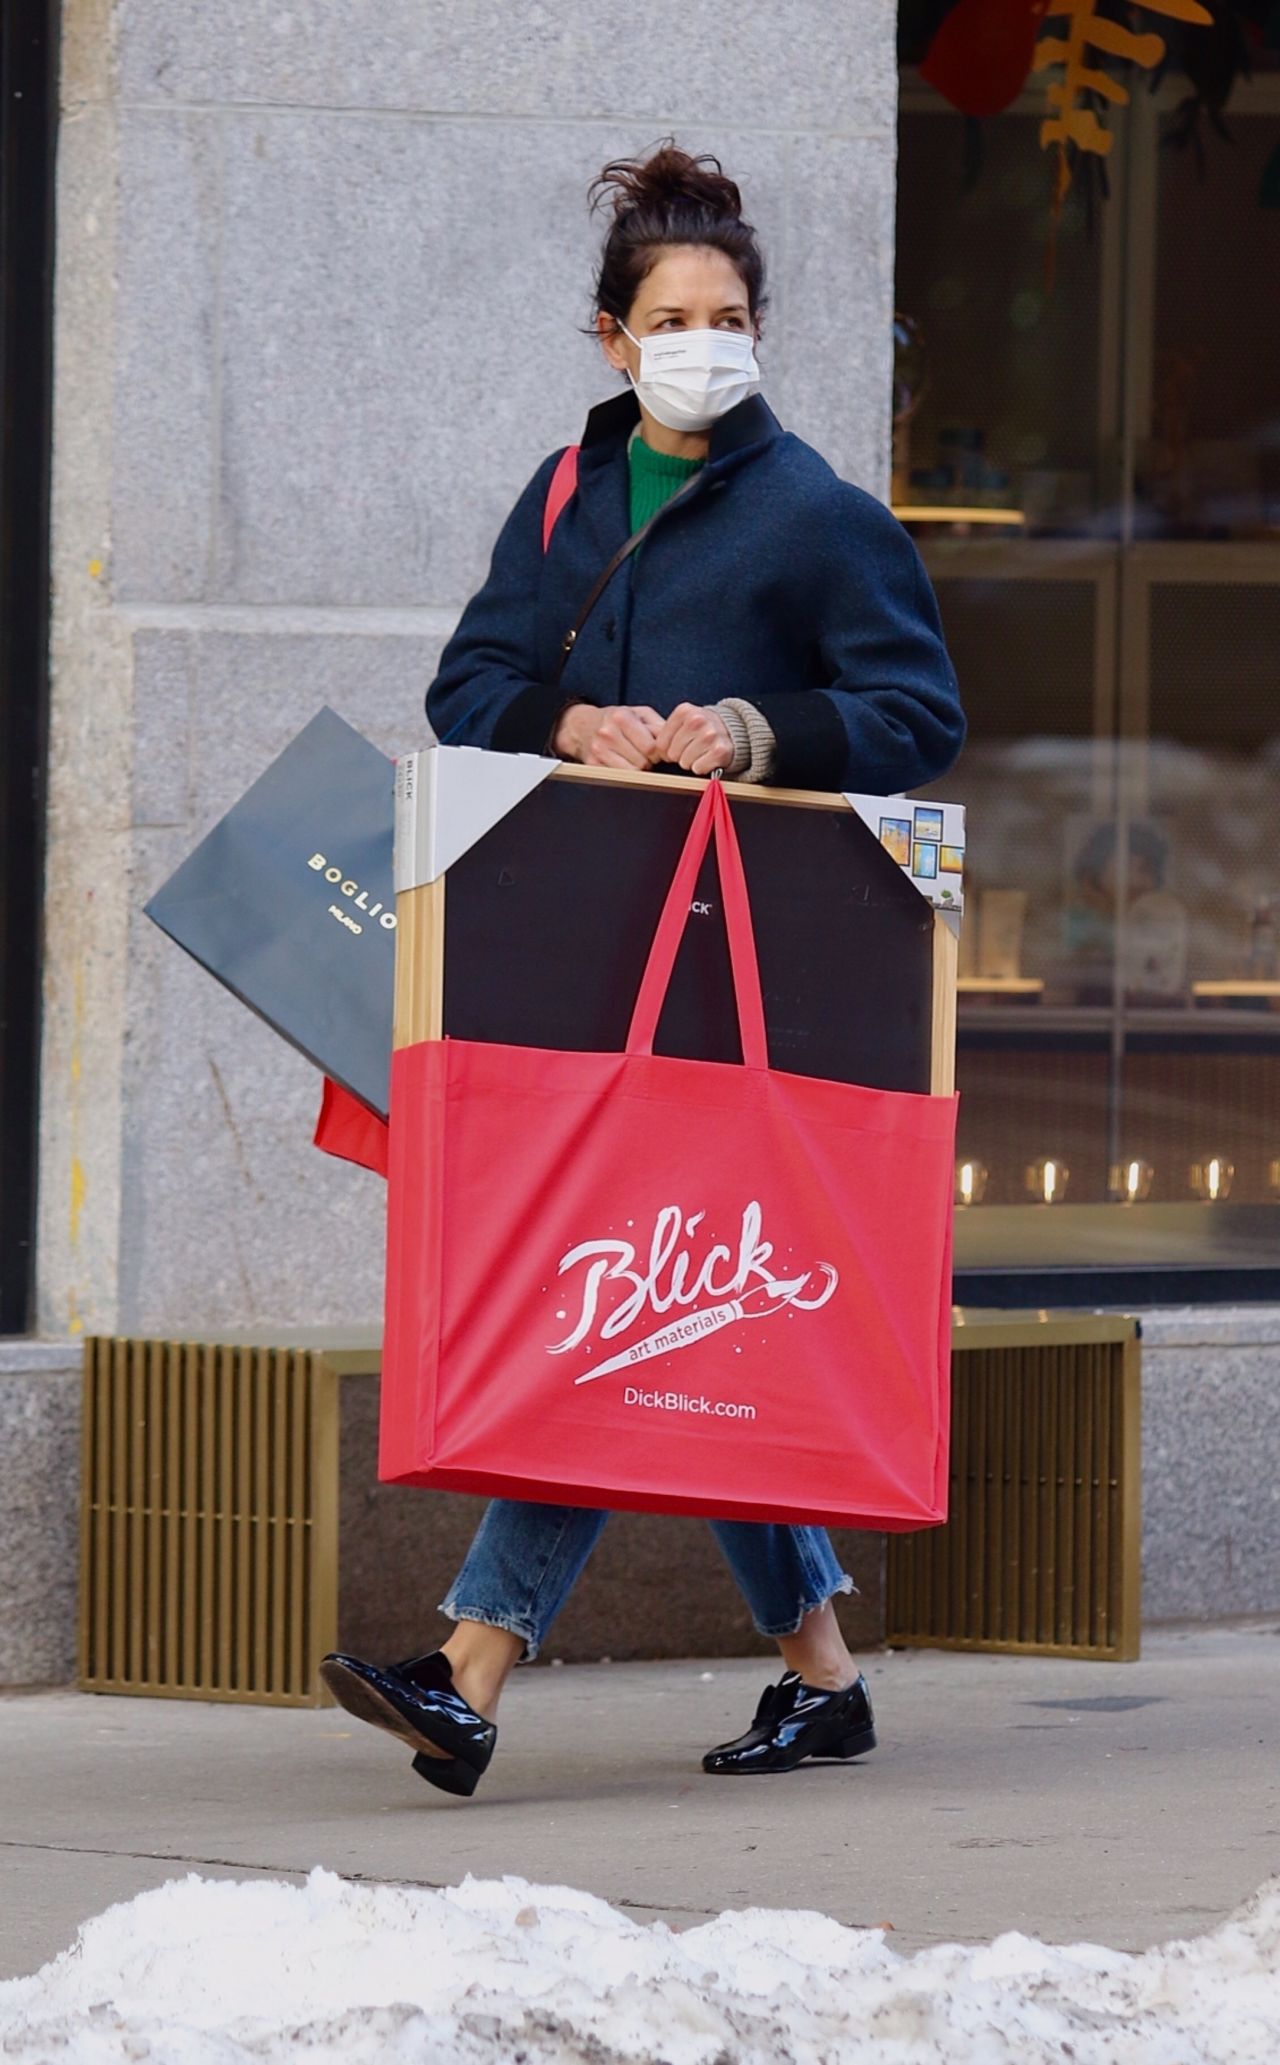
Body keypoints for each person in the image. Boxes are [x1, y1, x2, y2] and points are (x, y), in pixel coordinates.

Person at [322, 143, 964, 1798]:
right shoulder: (564, 497)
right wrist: (567, 719)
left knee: (623, 1307)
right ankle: (820, 1672)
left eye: (732, 313)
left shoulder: (819, 512)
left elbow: (918, 713)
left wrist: (760, 732)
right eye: (673, 314)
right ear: (612, 335)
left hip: (743, 987)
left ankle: (470, 1668)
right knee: (700, 1309)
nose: (706, 338)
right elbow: (469, 682)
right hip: (582, 970)